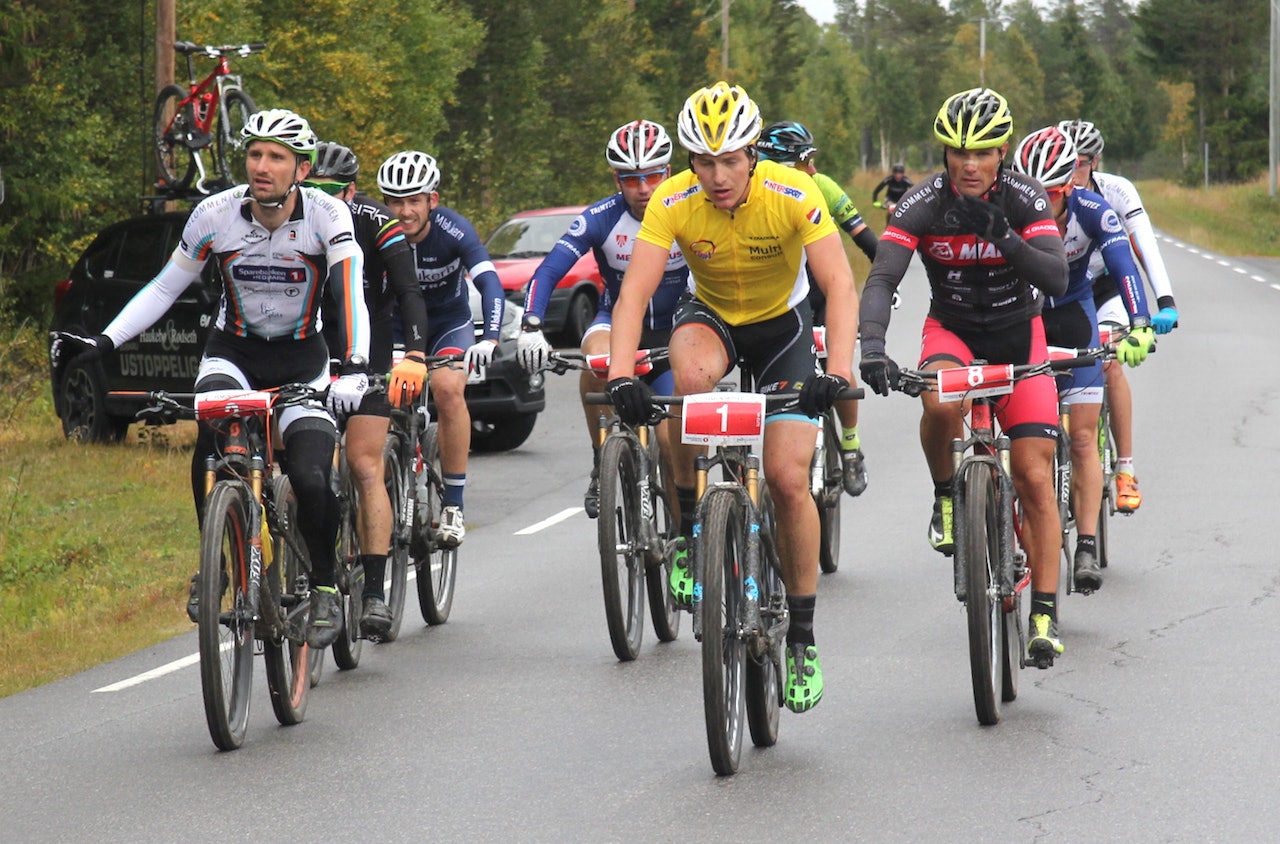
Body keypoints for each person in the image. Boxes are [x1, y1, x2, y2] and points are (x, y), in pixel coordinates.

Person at [55, 109, 370, 648]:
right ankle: (216, 562)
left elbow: (350, 291)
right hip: (233, 354)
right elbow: (162, 289)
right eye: (254, 154)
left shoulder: (327, 217)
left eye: (276, 157)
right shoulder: (215, 215)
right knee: (211, 443)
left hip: (302, 359)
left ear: (301, 167)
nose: (262, 166)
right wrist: (105, 341)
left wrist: (357, 367)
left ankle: (322, 585)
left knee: (313, 474)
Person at [606, 81, 859, 712]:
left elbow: (839, 284)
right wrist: (619, 378)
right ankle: (694, 530)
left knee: (785, 478)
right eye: (703, 161)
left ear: (752, 153)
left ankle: (801, 635)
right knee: (686, 387)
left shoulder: (793, 192)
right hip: (711, 316)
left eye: (730, 160)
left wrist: (840, 368)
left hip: (784, 327)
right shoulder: (673, 199)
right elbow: (633, 296)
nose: (717, 176)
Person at [857, 88, 1071, 666]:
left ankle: (1045, 614)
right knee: (937, 404)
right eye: (957, 152)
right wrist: (872, 346)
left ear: (1002, 151)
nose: (969, 164)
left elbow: (1055, 278)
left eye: (982, 152)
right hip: (952, 332)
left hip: (1017, 333)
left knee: (1032, 473)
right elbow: (882, 280)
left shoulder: (1026, 197)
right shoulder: (921, 204)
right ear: (945, 153)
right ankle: (945, 494)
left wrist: (1002, 234)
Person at [514, 119, 689, 518]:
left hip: (676, 327)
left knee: (670, 444)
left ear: (669, 172)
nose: (643, 189)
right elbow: (548, 271)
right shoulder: (602, 218)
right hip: (617, 319)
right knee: (595, 361)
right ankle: (601, 457)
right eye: (631, 179)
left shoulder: (690, 210)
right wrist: (531, 326)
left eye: (652, 176)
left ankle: (685, 544)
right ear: (616, 180)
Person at [1010, 126, 1154, 593]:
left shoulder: (1093, 210)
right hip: (1023, 318)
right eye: (1032, 190)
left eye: (1050, 193)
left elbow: (1124, 266)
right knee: (1025, 443)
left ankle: (1087, 543)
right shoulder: (1007, 209)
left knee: (1084, 437)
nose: (1041, 202)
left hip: (1073, 314)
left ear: (1069, 187)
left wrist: (1142, 321)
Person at [303, 141, 431, 638]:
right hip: (310, 349)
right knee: (298, 466)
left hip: (369, 350)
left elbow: (409, 293)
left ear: (352, 193)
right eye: (312, 190)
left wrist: (415, 356)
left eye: (333, 194)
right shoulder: (292, 219)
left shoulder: (379, 223)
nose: (322, 201)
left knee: (362, 463)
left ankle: (374, 590)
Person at [377, 149, 506, 547]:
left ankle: (452, 504)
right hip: (398, 328)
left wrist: (490, 338)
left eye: (413, 200)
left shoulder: (454, 230)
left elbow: (489, 282)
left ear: (431, 200)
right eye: (395, 201)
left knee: (449, 390)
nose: (404, 211)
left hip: (449, 325)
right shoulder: (377, 232)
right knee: (381, 399)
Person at [1059, 119, 1179, 514]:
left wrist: (1164, 301)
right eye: (1063, 162)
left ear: (1095, 163)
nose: (1069, 172)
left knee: (1109, 365)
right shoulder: (1046, 190)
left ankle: (1125, 467)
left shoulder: (1116, 190)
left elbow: (1143, 244)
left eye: (1077, 163)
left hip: (1106, 288)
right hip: (1061, 293)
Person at [755, 119, 875, 497]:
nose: (813, 170)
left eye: (812, 160)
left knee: (840, 372)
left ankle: (851, 446)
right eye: (803, 162)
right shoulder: (759, 193)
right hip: (782, 303)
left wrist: (888, 283)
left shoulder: (821, 187)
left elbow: (865, 239)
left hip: (822, 296)